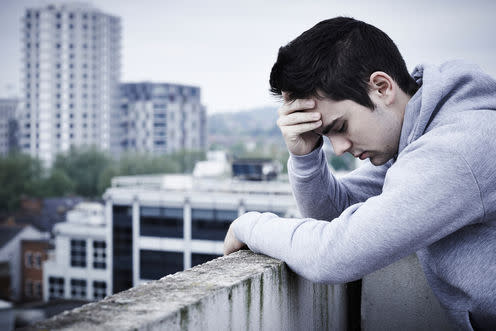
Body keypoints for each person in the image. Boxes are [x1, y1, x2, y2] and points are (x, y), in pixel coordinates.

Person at [223, 17, 496, 330]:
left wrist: (250, 225)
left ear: (381, 88)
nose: (338, 148)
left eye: (339, 127)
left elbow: (336, 253)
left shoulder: (456, 150)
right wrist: (305, 155)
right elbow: (336, 215)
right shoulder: (418, 138)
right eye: (327, 135)